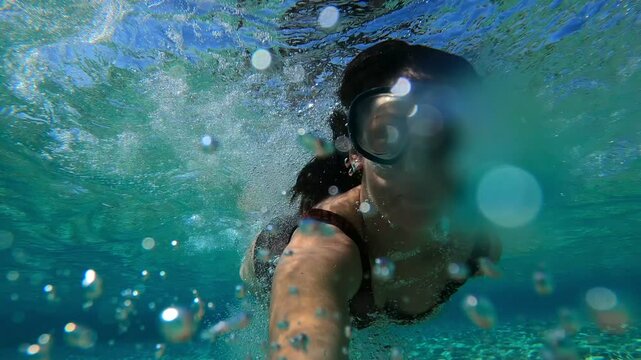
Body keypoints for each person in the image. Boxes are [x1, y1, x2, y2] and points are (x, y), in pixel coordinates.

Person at [239, 39, 502, 359]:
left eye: (443, 138)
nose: (418, 168)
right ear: (355, 152)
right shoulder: (319, 252)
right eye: (389, 135)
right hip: (273, 254)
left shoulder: (480, 237)